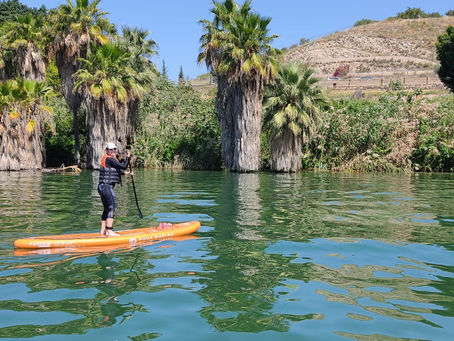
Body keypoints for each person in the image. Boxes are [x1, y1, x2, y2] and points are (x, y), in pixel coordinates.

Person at [98, 142, 131, 236]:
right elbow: (123, 166)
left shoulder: (110, 160)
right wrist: (128, 157)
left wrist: (127, 174)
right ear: (107, 150)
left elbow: (117, 171)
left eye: (114, 149)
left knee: (106, 208)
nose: (113, 151)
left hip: (102, 187)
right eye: (111, 149)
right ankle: (109, 231)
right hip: (107, 187)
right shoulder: (109, 159)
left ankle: (103, 231)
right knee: (112, 207)